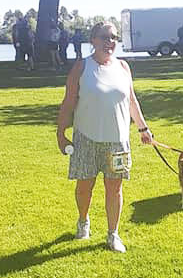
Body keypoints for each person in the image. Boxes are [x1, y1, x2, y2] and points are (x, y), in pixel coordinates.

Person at [57, 21, 154, 253]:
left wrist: (143, 128)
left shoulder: (123, 67)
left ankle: (113, 234)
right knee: (84, 187)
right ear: (93, 40)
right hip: (86, 139)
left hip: (117, 141)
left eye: (113, 37)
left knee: (114, 188)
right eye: (104, 37)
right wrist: (61, 133)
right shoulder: (82, 67)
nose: (110, 42)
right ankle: (83, 221)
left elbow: (131, 101)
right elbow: (68, 103)